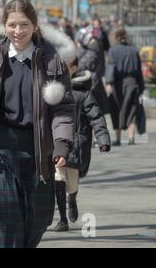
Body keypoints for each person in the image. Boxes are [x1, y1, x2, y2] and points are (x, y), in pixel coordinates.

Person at [0, 0, 75, 248]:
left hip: (37, 149)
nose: (18, 31)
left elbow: (63, 109)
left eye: (24, 25)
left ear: (35, 26)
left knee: (38, 220)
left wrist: (62, 143)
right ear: (3, 26)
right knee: (3, 221)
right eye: (12, 25)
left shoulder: (52, 62)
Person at [53, 55, 110, 232]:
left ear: (75, 67)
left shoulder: (84, 94)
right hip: (55, 144)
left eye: (68, 66)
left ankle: (72, 199)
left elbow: (96, 117)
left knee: (72, 183)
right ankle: (62, 219)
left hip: (76, 145)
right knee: (58, 179)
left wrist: (103, 139)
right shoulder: (52, 90)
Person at [105, 28, 145, 145]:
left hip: (117, 83)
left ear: (117, 37)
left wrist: (108, 82)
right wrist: (141, 87)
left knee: (117, 109)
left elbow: (111, 67)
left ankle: (118, 139)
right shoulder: (134, 50)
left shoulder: (113, 51)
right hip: (132, 82)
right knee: (132, 109)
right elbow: (139, 70)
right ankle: (131, 138)